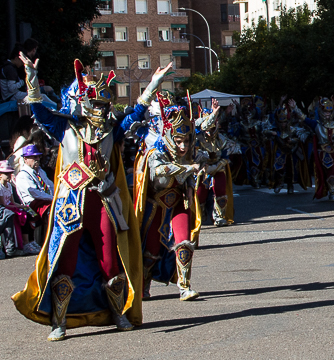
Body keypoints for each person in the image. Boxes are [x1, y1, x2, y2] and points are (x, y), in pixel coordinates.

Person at [13, 55, 166, 341]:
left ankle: (117, 312)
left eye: (104, 105)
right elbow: (38, 109)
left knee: (110, 261)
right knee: (65, 260)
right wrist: (31, 76)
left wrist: (152, 85)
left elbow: (134, 114)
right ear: (83, 103)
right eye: (96, 104)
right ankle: (59, 321)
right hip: (71, 203)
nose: (101, 110)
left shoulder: (111, 130)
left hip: (103, 202)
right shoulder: (65, 128)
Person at [133, 91, 203, 302]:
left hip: (178, 202)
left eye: (187, 141)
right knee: (151, 252)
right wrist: (187, 169)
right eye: (179, 141)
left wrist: (191, 184)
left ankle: (184, 286)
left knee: (184, 243)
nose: (183, 146)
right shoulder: (156, 151)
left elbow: (191, 173)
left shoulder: (188, 153)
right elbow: (159, 171)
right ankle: (144, 284)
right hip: (156, 206)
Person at [193, 99, 239, 227]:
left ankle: (219, 216)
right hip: (202, 170)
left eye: (213, 126)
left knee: (220, 189)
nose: (210, 130)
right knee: (200, 193)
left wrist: (216, 167)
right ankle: (200, 214)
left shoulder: (221, 139)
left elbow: (225, 157)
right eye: (209, 127)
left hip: (218, 168)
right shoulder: (197, 138)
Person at [306, 97, 334, 201]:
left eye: (329, 112)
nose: (327, 114)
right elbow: (305, 119)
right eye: (325, 112)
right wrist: (295, 108)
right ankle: (332, 192)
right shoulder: (317, 125)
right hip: (324, 153)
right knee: (330, 171)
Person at [1, 156, 37, 257]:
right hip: (5, 209)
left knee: (30, 212)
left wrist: (23, 206)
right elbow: (3, 204)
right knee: (21, 214)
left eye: (9, 172)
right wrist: (18, 208)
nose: (9, 175)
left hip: (11, 206)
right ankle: (23, 244)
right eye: (6, 173)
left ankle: (31, 241)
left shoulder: (9, 186)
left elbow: (12, 202)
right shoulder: (0, 187)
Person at [14, 143, 53, 221]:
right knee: (51, 210)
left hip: (46, 199)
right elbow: (34, 193)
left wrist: (57, 196)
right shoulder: (22, 175)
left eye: (38, 156)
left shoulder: (41, 171)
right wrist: (52, 198)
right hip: (30, 206)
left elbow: (50, 185)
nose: (38, 159)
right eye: (35, 157)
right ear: (25, 159)